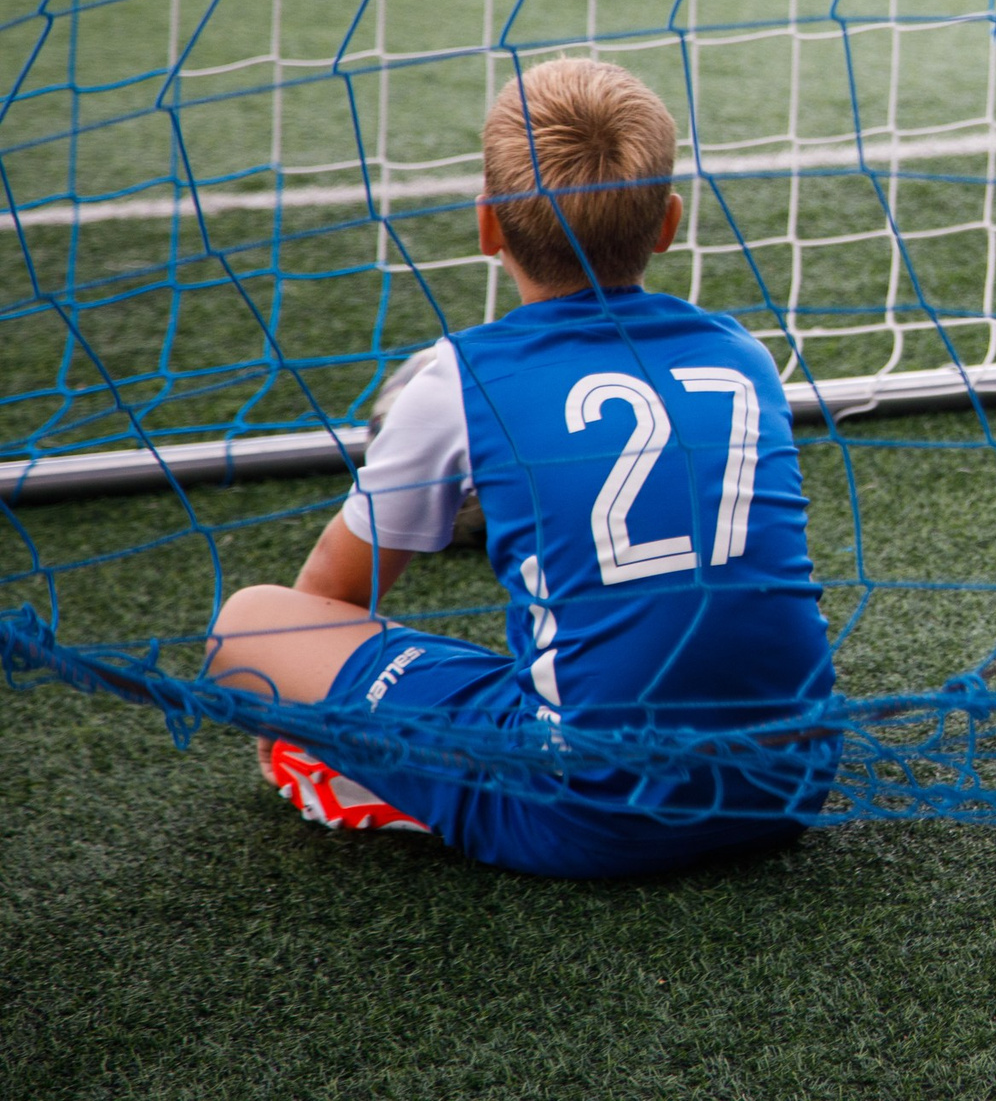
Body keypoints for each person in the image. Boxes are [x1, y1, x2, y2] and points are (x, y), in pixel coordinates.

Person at [207, 58, 837, 878]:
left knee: (252, 623)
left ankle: (369, 773)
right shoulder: (742, 355)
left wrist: (301, 703)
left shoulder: (460, 377)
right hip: (791, 783)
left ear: (486, 225)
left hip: (588, 814)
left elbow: (329, 593)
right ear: (668, 222)